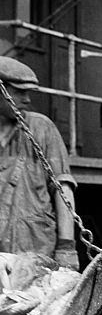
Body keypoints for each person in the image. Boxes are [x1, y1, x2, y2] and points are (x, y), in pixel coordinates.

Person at [0, 56, 78, 269]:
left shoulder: (42, 128)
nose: (27, 100)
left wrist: (67, 247)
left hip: (36, 252)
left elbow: (63, 189)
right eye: (20, 92)